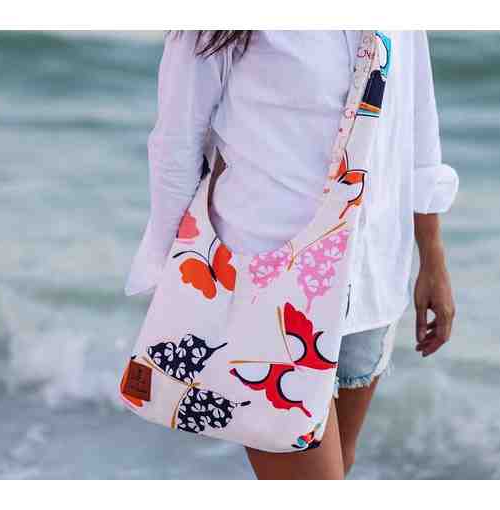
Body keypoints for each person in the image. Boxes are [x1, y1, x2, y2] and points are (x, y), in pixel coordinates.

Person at [124, 30, 459, 479]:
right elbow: (176, 144)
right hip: (266, 279)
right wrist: (175, 284)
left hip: (371, 277)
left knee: (339, 466)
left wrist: (432, 256)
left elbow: (417, 120)